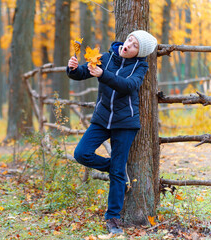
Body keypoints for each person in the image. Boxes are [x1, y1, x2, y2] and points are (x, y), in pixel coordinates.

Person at [66, 30, 157, 234]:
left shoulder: (140, 66)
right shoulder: (105, 58)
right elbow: (83, 72)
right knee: (81, 154)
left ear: (139, 52)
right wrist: (72, 69)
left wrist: (103, 75)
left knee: (117, 171)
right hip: (101, 119)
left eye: (135, 46)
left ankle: (113, 218)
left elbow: (129, 86)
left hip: (125, 123)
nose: (129, 45)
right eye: (129, 40)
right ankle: (115, 170)